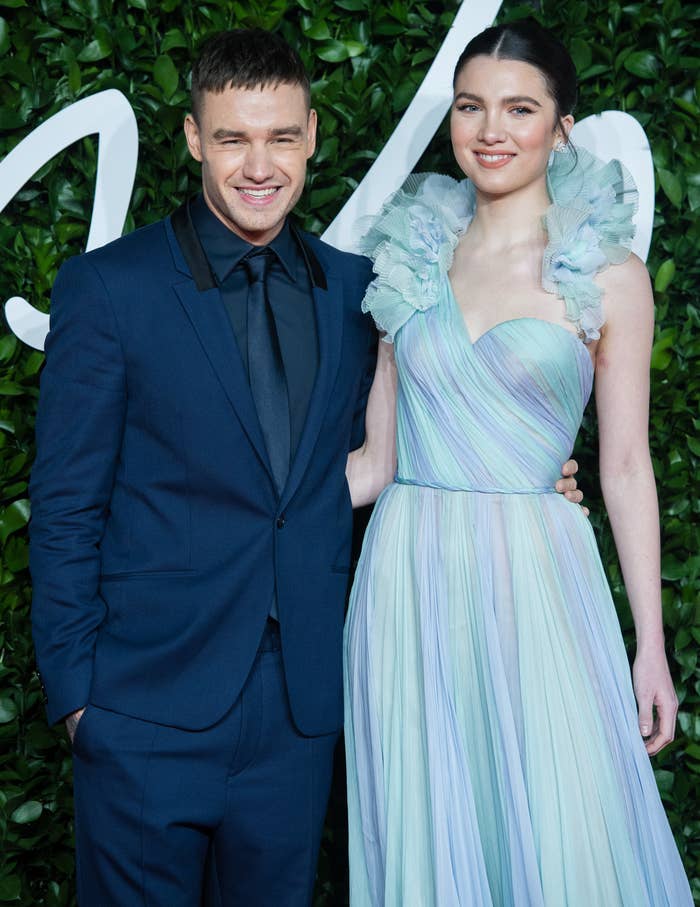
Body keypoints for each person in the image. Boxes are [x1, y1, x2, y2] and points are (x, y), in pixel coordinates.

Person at [29, 26, 582, 906]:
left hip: (297, 719)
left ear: (313, 135)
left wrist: (534, 472)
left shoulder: (357, 291)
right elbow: (63, 506)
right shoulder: (109, 289)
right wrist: (80, 699)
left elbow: (413, 437)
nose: (260, 164)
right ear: (192, 138)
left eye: (282, 136)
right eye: (233, 137)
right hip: (142, 709)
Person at [343, 18, 692, 907]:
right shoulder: (410, 254)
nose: (490, 129)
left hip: (539, 581)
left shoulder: (611, 276)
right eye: (471, 106)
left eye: (519, 107)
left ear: (561, 126)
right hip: (407, 580)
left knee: (568, 830)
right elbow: (375, 464)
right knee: (426, 836)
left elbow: (623, 467)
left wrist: (650, 648)